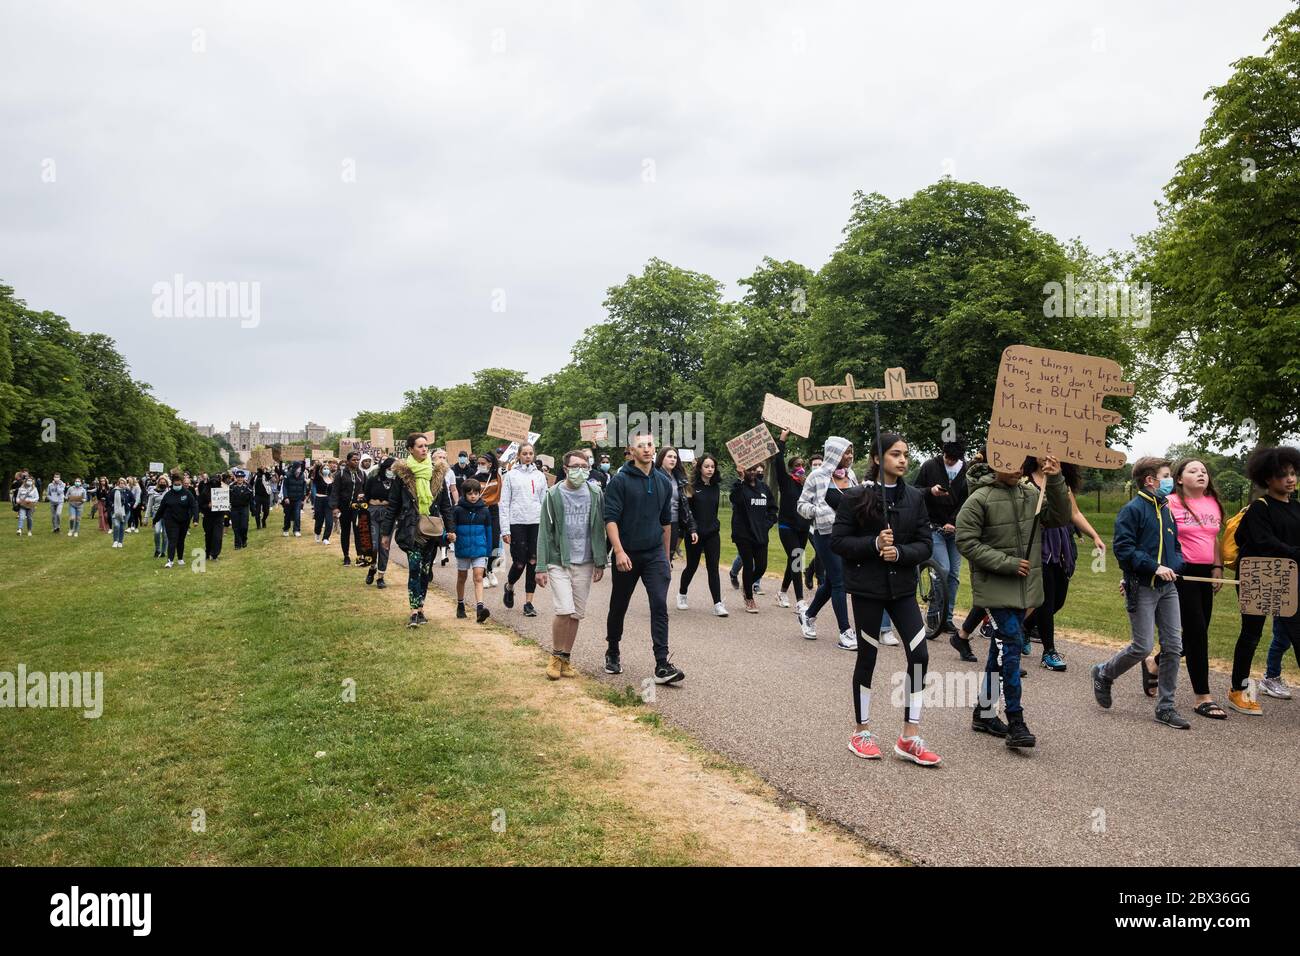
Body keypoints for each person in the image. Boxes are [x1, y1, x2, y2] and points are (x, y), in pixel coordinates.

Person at [832, 433, 941, 765]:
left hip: (903, 589)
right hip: (867, 589)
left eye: (906, 454)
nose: (904, 459)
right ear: (878, 458)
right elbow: (838, 542)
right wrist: (873, 545)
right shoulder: (855, 496)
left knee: (920, 654)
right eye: (896, 454)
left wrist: (901, 553)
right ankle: (860, 731)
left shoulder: (915, 498)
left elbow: (926, 544)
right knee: (868, 656)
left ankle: (909, 736)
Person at [957, 451, 1072, 749]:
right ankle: (1016, 720)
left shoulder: (1031, 493)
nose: (1016, 467)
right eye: (1008, 461)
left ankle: (983, 713)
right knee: (1009, 645)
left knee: (1000, 651)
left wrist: (1056, 478)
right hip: (995, 588)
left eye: (1019, 462)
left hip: (1024, 589)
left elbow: (1058, 516)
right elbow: (966, 541)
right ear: (995, 462)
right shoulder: (979, 498)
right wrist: (1006, 563)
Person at [1090, 456, 1190, 730]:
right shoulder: (1132, 510)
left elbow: (1177, 547)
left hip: (1168, 588)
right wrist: (1154, 567)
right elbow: (1123, 549)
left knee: (1174, 647)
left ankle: (1166, 706)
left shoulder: (1167, 509)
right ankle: (1103, 673)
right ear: (1150, 480)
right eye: (1166, 475)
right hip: (1142, 586)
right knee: (1143, 646)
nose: (1170, 481)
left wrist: (1174, 566)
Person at [603, 433, 685, 684]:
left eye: (650, 445)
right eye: (641, 446)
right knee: (619, 604)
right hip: (627, 553)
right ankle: (613, 650)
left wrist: (667, 555)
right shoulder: (619, 481)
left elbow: (665, 523)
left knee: (659, 604)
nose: (647, 449)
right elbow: (611, 519)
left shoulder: (662, 482)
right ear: (631, 450)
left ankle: (662, 664)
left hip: (654, 554)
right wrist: (618, 551)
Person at [1150, 458, 1227, 718]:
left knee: (1198, 630)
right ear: (1180, 479)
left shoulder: (1213, 503)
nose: (1201, 474)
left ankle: (1155, 663)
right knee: (1197, 633)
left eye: (1204, 471)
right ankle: (1202, 697)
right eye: (1193, 471)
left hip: (1205, 574)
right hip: (1181, 574)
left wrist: (1218, 568)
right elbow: (1158, 538)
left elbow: (1213, 537)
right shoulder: (1169, 503)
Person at [1227, 445, 1300, 715]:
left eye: (1293, 473)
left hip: (1290, 578)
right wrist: (1295, 553)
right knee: (1251, 633)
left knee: (1298, 633)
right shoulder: (1259, 508)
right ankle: (1238, 689)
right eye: (1283, 475)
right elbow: (1264, 542)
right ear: (1268, 478)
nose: (1290, 479)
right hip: (1257, 576)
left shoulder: (1297, 507)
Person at [1020, 459, 1105, 672]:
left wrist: (1094, 535)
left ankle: (1024, 628)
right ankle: (1049, 652)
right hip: (1038, 545)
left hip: (1060, 545)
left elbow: (1074, 513)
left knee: (1058, 599)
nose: (1048, 456)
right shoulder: (1024, 480)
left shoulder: (1061, 482)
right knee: (1046, 599)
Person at [534, 450, 609, 679]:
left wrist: (600, 561)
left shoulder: (596, 493)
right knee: (564, 609)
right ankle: (555, 656)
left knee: (576, 614)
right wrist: (541, 566)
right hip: (559, 560)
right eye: (575, 466)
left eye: (584, 466)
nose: (580, 470)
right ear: (565, 469)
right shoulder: (553, 494)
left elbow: (599, 529)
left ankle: (566, 658)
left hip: (585, 562)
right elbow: (545, 531)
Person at [796, 436, 864, 649]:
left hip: (849, 535)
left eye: (851, 451)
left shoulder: (851, 476)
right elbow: (801, 505)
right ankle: (845, 631)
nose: (851, 456)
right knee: (840, 582)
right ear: (835, 453)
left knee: (832, 582)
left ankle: (808, 615)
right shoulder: (816, 477)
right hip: (826, 535)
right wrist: (818, 511)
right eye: (847, 452)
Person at [389, 432, 456, 628]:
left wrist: (450, 529)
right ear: (410, 449)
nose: (424, 449)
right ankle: (413, 611)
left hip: (431, 529)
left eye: (426, 446)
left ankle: (421, 608)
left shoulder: (436, 473)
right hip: (411, 529)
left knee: (426, 571)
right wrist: (385, 533)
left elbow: (445, 505)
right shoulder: (403, 474)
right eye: (419, 446)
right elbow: (393, 504)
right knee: (415, 568)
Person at [916, 440, 968, 635]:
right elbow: (915, 490)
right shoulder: (930, 466)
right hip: (934, 527)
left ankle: (946, 618)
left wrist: (954, 522)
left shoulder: (967, 470)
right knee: (943, 569)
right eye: (947, 458)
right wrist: (931, 491)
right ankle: (934, 613)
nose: (949, 461)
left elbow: (968, 499)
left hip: (955, 530)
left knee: (954, 575)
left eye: (953, 459)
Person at [500, 443, 547, 617]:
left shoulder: (540, 476)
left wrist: (547, 527)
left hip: (535, 522)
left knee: (533, 561)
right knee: (520, 562)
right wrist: (505, 529)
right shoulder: (511, 476)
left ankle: (529, 603)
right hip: (517, 522)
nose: (528, 456)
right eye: (524, 453)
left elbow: (544, 502)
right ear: (519, 455)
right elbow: (504, 503)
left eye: (530, 453)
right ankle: (510, 586)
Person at [678, 453, 728, 616]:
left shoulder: (715, 487)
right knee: (692, 566)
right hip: (694, 534)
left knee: (713, 568)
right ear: (699, 468)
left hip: (712, 533)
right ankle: (682, 593)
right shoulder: (691, 486)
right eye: (706, 466)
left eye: (712, 466)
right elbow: (687, 512)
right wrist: (691, 530)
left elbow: (713, 511)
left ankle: (718, 604)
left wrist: (714, 526)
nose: (710, 469)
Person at [769, 432, 810, 611]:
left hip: (803, 528)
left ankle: (782, 592)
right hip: (787, 526)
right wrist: (782, 440)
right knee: (796, 559)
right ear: (791, 468)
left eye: (802, 465)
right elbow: (778, 461)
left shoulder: (808, 485)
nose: (800, 468)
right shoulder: (786, 481)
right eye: (797, 465)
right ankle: (800, 600)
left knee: (795, 559)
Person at [731, 460, 778, 614]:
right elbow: (735, 499)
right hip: (743, 534)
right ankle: (749, 598)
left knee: (761, 566)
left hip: (761, 533)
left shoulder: (763, 487)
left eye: (754, 470)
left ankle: (747, 583)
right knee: (748, 564)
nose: (752, 473)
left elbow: (772, 509)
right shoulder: (739, 487)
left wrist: (767, 524)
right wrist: (739, 479)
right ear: (744, 471)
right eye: (748, 470)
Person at [450, 478, 493, 623]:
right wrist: (448, 536)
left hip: (479, 549)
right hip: (463, 548)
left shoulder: (485, 511)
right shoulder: (457, 510)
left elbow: (489, 531)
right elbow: (451, 528)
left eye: (476, 493)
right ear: (464, 494)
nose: (473, 496)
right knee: (462, 577)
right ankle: (460, 604)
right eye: (470, 494)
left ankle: (480, 608)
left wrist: (488, 551)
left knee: (478, 577)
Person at [655, 447, 698, 564]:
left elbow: (685, 506)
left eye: (675, 457)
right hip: (657, 523)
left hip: (674, 524)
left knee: (668, 558)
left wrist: (692, 528)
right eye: (669, 457)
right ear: (661, 458)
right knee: (658, 559)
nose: (672, 460)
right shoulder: (654, 476)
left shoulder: (679, 478)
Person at [364, 456, 398, 588]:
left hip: (388, 515)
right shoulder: (373, 479)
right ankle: (372, 566)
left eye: (394, 469)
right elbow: (366, 495)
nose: (392, 471)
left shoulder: (396, 482)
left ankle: (380, 576)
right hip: (373, 512)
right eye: (390, 469)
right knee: (373, 545)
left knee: (384, 546)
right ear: (385, 468)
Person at [153, 471, 198, 567]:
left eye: (179, 484)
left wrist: (195, 519)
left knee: (181, 540)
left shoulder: (187, 494)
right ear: (172, 484)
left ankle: (180, 558)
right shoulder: (168, 495)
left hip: (184, 520)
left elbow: (194, 506)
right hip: (170, 520)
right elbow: (161, 508)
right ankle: (170, 560)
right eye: (175, 484)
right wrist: (155, 520)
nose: (177, 486)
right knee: (172, 539)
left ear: (181, 483)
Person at [329, 451, 367, 566]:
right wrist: (335, 507)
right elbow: (334, 491)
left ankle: (360, 556)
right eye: (354, 460)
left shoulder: (362, 474)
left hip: (358, 508)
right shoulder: (340, 474)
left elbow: (366, 490)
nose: (356, 462)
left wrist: (364, 497)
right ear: (348, 461)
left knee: (358, 532)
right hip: (344, 508)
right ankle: (346, 556)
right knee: (345, 532)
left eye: (357, 460)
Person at [475, 452, 504, 587]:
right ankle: (484, 573)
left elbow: (500, 494)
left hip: (493, 511)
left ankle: (491, 570)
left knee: (494, 544)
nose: (481, 466)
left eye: (483, 463)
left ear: (490, 464)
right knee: (483, 543)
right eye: (479, 463)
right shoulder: (474, 478)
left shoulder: (497, 477)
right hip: (480, 511)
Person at [197, 473, 226, 560]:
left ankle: (215, 554)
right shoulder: (204, 492)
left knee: (217, 536)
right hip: (208, 516)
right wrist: (207, 506)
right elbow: (200, 504)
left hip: (218, 516)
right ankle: (208, 551)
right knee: (209, 535)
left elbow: (225, 502)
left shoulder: (222, 491)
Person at [281, 461, 307, 537]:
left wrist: (303, 498)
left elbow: (303, 487)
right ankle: (286, 529)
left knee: (297, 514)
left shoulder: (302, 475)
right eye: (298, 467)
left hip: (298, 499)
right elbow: (284, 487)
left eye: (300, 467)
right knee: (288, 515)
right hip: (289, 499)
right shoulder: (288, 475)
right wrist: (286, 497)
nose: (300, 469)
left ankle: (296, 530)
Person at [310, 462, 334, 544]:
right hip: (319, 500)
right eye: (324, 469)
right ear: (321, 470)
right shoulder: (318, 478)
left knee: (329, 521)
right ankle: (317, 533)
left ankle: (326, 538)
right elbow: (316, 471)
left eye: (327, 469)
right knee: (319, 520)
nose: (326, 470)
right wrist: (318, 464)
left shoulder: (331, 479)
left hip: (328, 501)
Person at [229, 470, 253, 549]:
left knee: (244, 526)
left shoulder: (248, 486)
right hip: (234, 508)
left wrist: (253, 510)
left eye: (241, 477)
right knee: (236, 527)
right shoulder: (231, 487)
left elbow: (251, 499)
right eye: (238, 477)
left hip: (244, 508)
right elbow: (227, 498)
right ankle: (237, 544)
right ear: (236, 478)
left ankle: (244, 539)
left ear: (243, 478)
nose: (239, 479)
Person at [147, 476, 169, 558]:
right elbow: (149, 505)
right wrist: (146, 517)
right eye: (161, 482)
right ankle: (157, 549)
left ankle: (163, 551)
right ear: (158, 482)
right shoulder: (153, 491)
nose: (162, 483)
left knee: (165, 534)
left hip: (167, 515)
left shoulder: (169, 491)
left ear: (166, 483)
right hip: (156, 515)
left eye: (164, 482)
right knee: (156, 532)